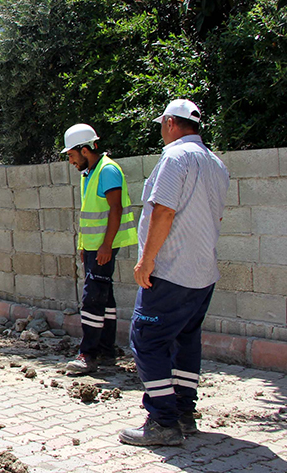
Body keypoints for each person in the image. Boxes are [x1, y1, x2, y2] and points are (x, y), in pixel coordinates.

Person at [119, 99, 230, 446]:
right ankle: (183, 413)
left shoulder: (175, 158)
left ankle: (163, 422)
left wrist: (146, 260)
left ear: (169, 123)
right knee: (186, 341)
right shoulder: (216, 164)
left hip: (170, 271)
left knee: (146, 341)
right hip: (203, 273)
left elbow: (164, 211)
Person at [60, 124, 138, 374]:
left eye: (71, 155)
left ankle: (88, 354)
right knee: (104, 296)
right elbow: (90, 215)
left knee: (92, 298)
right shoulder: (90, 173)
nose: (71, 161)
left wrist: (105, 245)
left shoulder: (107, 171)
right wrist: (85, 246)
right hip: (94, 248)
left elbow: (115, 209)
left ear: (85, 150)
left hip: (104, 247)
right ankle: (106, 349)